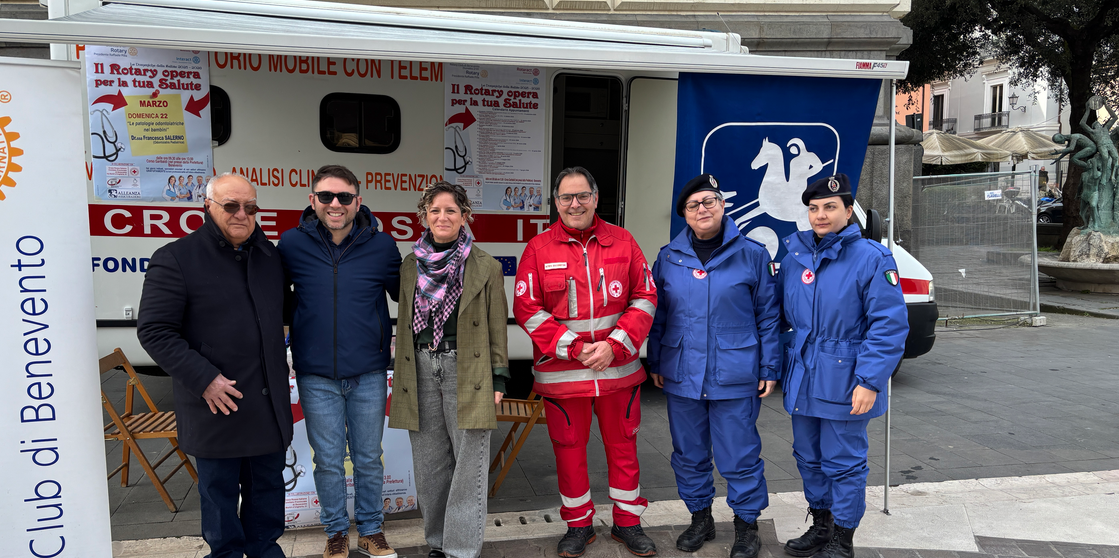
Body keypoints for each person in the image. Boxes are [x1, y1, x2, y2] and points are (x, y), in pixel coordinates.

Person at [137, 173, 293, 558]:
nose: (242, 214)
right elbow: (155, 331)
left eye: (250, 207)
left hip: (267, 407)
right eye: (231, 206)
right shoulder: (175, 258)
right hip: (216, 406)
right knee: (221, 509)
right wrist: (205, 379)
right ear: (208, 206)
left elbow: (284, 315)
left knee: (268, 501)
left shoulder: (270, 256)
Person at [513, 167, 658, 558]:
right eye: (566, 197)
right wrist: (575, 348)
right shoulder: (538, 249)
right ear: (556, 202)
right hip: (563, 377)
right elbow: (526, 309)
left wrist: (615, 344)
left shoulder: (624, 242)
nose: (574, 204)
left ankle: (628, 523)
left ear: (595, 198)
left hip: (617, 372)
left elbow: (645, 297)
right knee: (568, 450)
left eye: (582, 196)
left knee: (623, 447)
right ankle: (578, 525)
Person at [647, 174, 780, 558]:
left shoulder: (753, 255)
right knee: (688, 453)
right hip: (681, 371)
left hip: (734, 373)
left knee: (738, 454)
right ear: (684, 215)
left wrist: (769, 367)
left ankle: (745, 526)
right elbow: (659, 315)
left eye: (709, 202)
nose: (702, 209)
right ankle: (700, 519)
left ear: (723, 206)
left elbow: (768, 317)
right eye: (694, 205)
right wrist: (655, 358)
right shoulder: (668, 257)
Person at [778, 174, 908, 558]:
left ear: (849, 211)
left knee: (843, 462)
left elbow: (889, 325)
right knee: (808, 456)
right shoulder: (796, 255)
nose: (820, 215)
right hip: (803, 375)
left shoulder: (872, 258)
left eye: (830, 207)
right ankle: (822, 526)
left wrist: (870, 381)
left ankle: (843, 539)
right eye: (814, 208)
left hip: (845, 378)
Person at [278, 164, 402, 558]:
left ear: (358, 202)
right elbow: (276, 301)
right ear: (312, 200)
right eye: (326, 196)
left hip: (367, 372)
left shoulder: (382, 246)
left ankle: (370, 530)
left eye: (344, 197)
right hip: (316, 375)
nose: (335, 204)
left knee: (368, 458)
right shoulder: (290, 244)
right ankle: (336, 532)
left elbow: (410, 294)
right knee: (328, 461)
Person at [389, 181, 510, 558]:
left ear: (464, 217)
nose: (443, 217)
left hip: (467, 369)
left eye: (451, 210)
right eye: (435, 210)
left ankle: (461, 549)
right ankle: (438, 542)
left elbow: (496, 326)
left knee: (468, 465)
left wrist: (499, 377)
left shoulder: (486, 266)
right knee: (429, 465)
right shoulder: (410, 264)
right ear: (423, 215)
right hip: (420, 368)